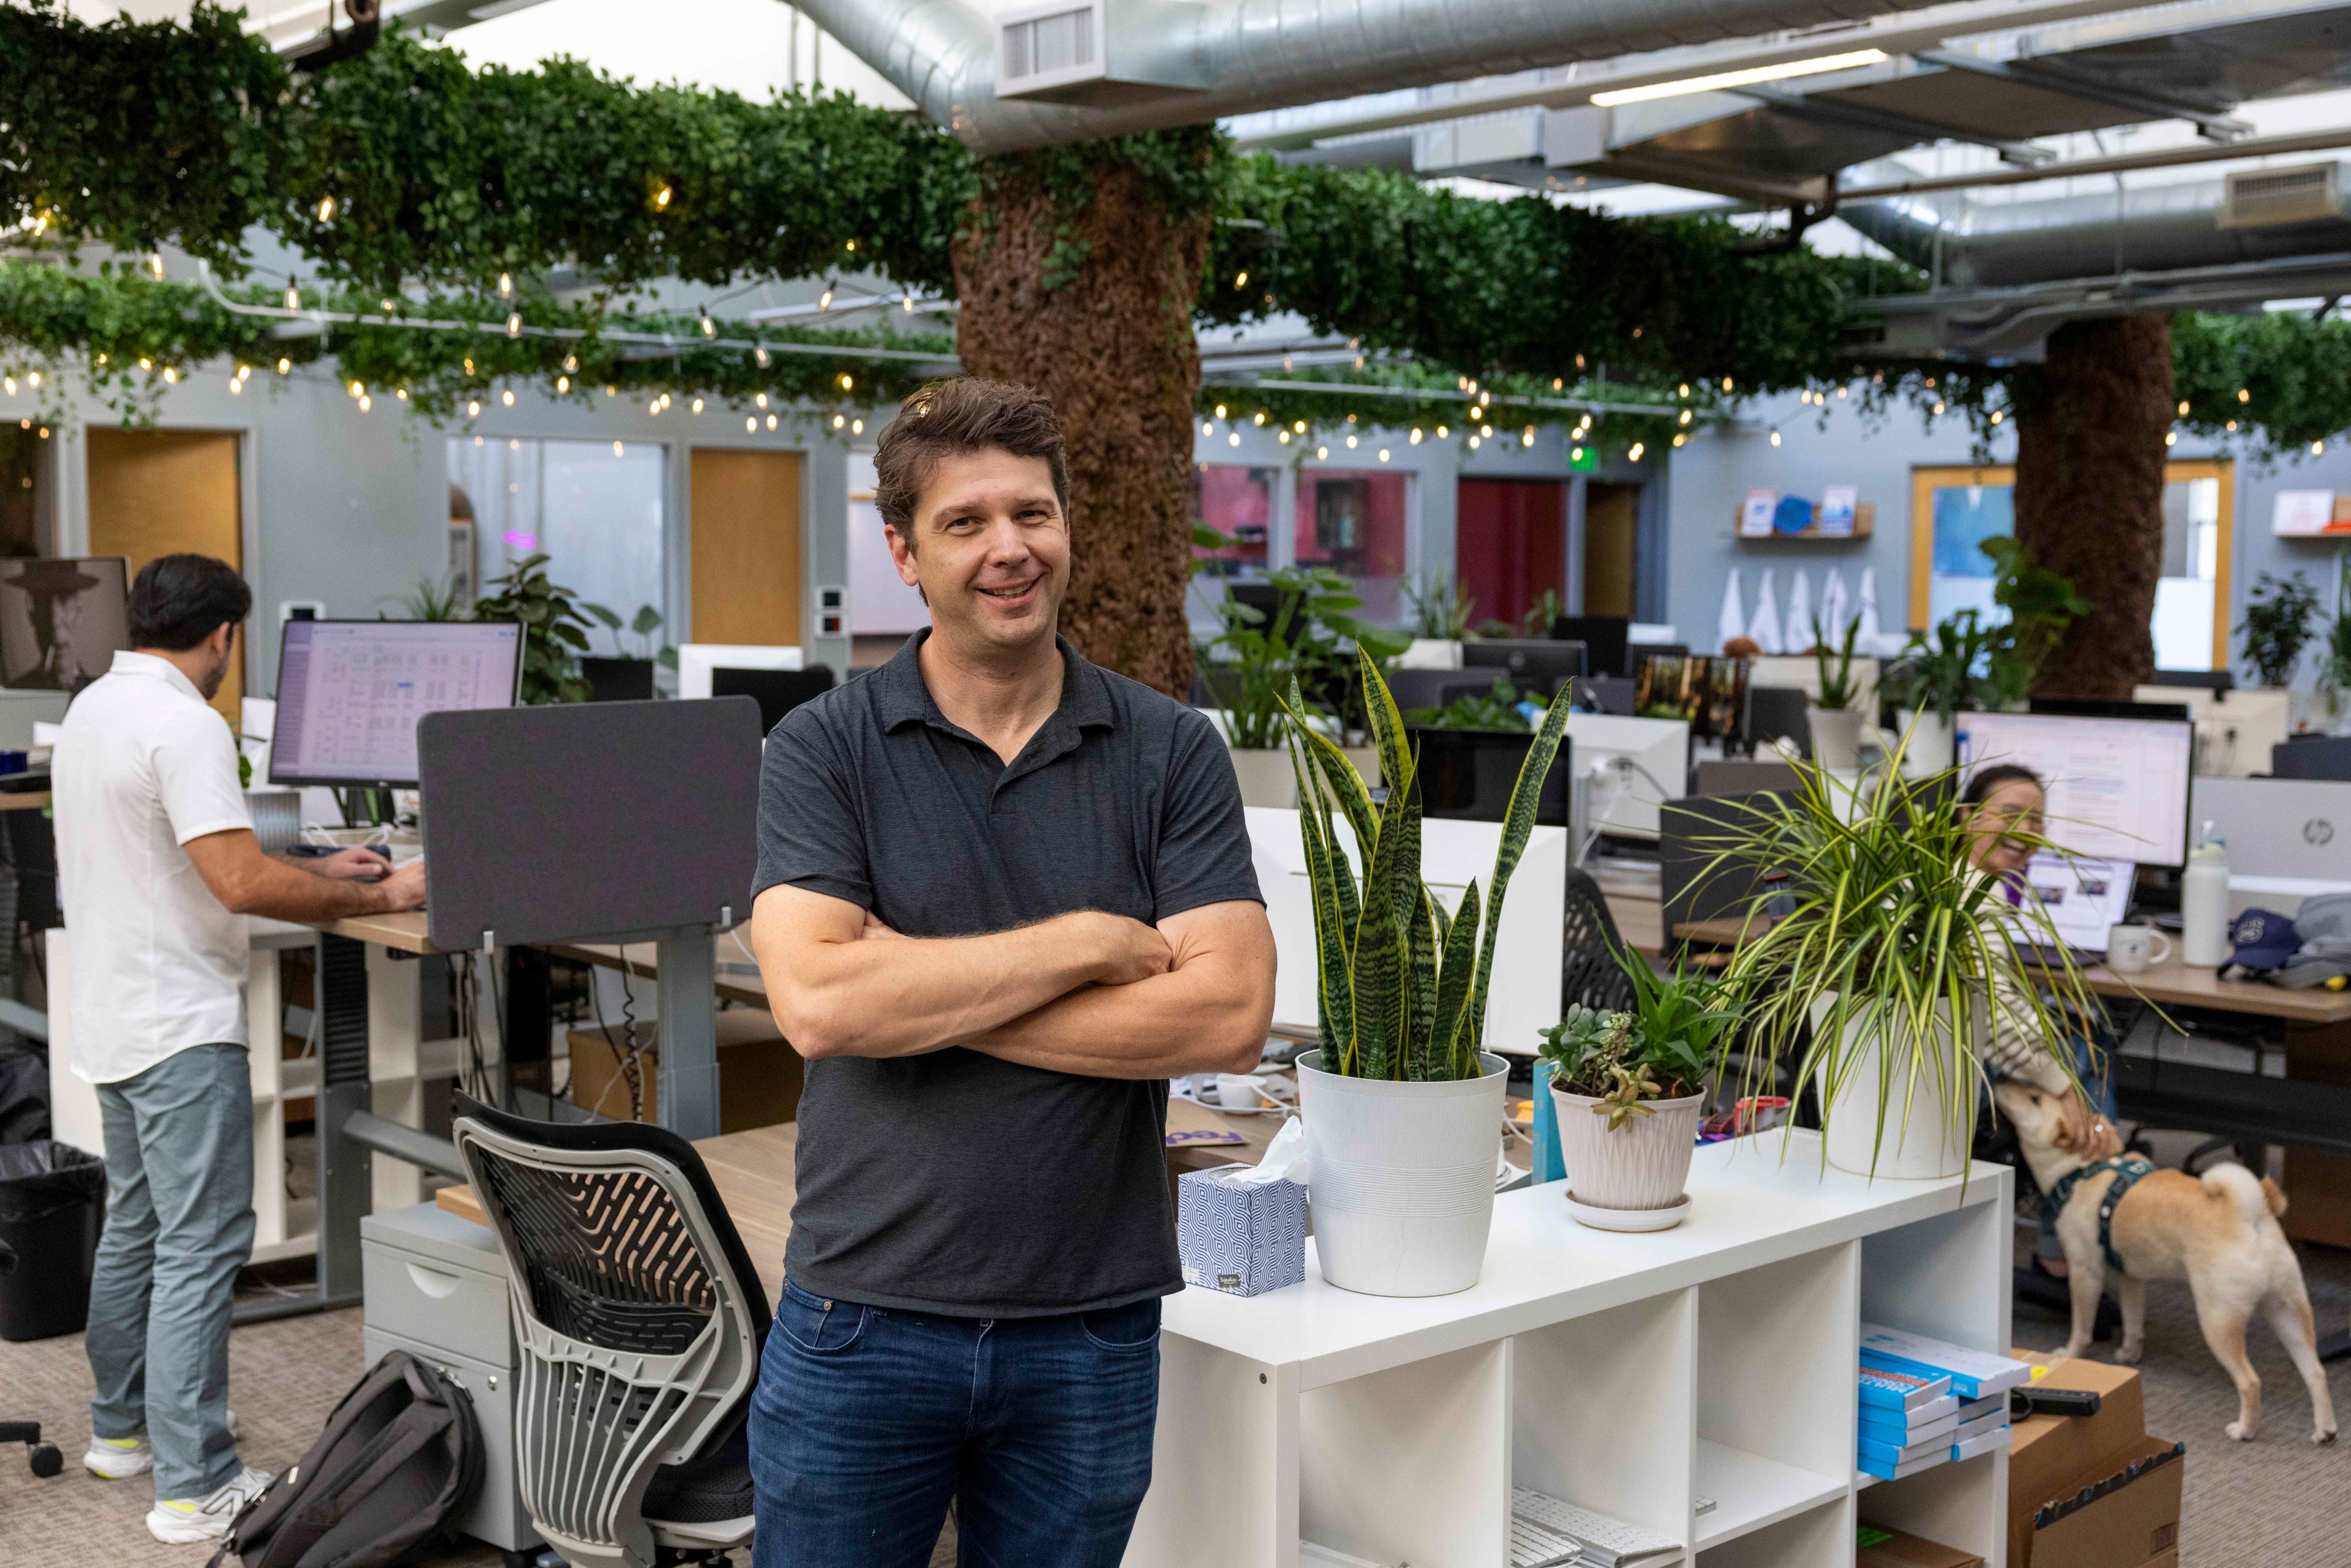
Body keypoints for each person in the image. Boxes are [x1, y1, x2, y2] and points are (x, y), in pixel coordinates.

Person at [746, 378, 1277, 1568]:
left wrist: (909, 990)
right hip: (863, 1315)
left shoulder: (1169, 748)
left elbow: (1231, 1011)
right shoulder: (822, 747)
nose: (1009, 548)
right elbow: (821, 1005)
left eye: (1032, 513)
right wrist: (1083, 943)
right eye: (966, 521)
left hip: (1089, 1325)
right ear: (904, 551)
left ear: (1067, 525)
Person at [54, 554, 428, 1544]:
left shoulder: (97, 707)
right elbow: (236, 884)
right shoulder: (185, 723)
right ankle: (195, 1484)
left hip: (110, 1014)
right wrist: (381, 891)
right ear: (222, 636)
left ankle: (120, 1430)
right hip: (177, 1024)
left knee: (138, 1222)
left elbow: (192, 857)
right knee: (199, 1241)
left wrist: (313, 866)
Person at [1959, 762, 2120, 1277]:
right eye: (2011, 815)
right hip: (1957, 1070)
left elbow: (2002, 1001)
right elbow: (1996, 1013)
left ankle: (2073, 1230)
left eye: (2036, 822)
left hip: (1971, 1051)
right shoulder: (1962, 900)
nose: (2026, 832)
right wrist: (2064, 1083)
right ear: (1965, 818)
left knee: (2083, 1036)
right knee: (2085, 1056)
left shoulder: (1982, 889)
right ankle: (2075, 1236)